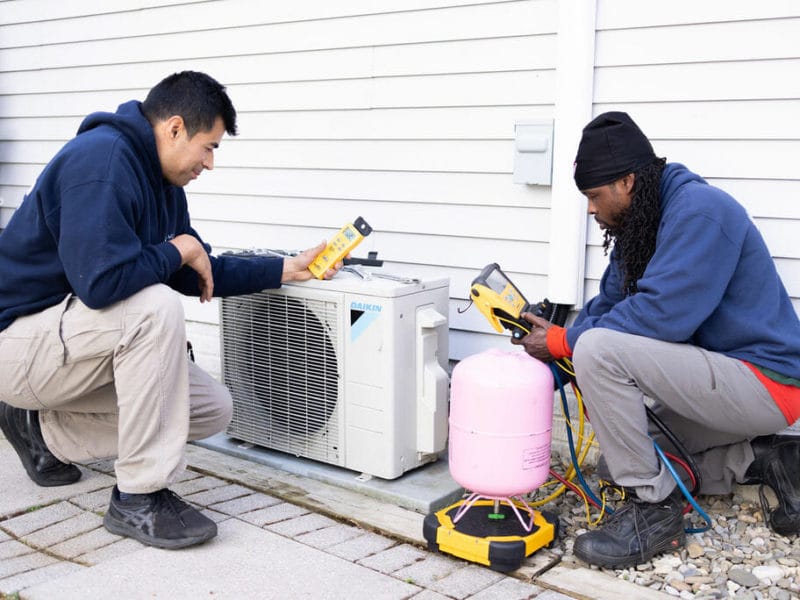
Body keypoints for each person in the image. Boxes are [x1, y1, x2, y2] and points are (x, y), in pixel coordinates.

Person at [0, 71, 341, 550]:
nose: (210, 163)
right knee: (153, 307)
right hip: (18, 343)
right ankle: (137, 498)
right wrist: (178, 250)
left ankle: (39, 427)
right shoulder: (99, 162)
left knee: (209, 409)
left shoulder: (163, 182)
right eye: (209, 146)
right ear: (175, 128)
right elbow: (101, 285)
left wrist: (289, 268)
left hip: (68, 345)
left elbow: (196, 270)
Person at [514, 111, 800, 568]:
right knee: (622, 458)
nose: (591, 209)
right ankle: (763, 459)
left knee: (597, 351)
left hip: (764, 382)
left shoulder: (703, 212)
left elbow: (661, 317)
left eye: (593, 195)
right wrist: (546, 359)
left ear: (626, 182)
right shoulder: (643, 223)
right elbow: (606, 306)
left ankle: (654, 513)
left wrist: (567, 343)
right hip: (723, 385)